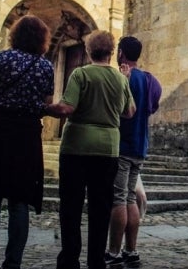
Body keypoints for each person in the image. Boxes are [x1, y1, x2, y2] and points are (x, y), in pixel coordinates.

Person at [0, 15, 71, 269]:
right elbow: (46, 103)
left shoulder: (3, 58)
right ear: (42, 40)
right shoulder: (45, 66)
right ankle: (13, 263)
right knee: (19, 201)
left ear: (15, 35)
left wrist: (5, 103)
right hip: (26, 136)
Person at [48, 30, 136, 269]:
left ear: (88, 51)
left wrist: (45, 109)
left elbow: (67, 108)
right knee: (100, 208)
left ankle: (69, 260)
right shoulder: (121, 79)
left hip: (76, 146)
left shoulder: (80, 74)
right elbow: (130, 112)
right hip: (107, 149)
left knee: (71, 207)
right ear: (111, 53)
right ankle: (96, 261)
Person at [106, 36, 162, 269]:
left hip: (121, 146)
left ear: (121, 53)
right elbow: (152, 107)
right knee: (130, 197)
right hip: (140, 146)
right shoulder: (151, 81)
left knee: (119, 198)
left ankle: (113, 251)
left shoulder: (120, 78)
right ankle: (131, 249)